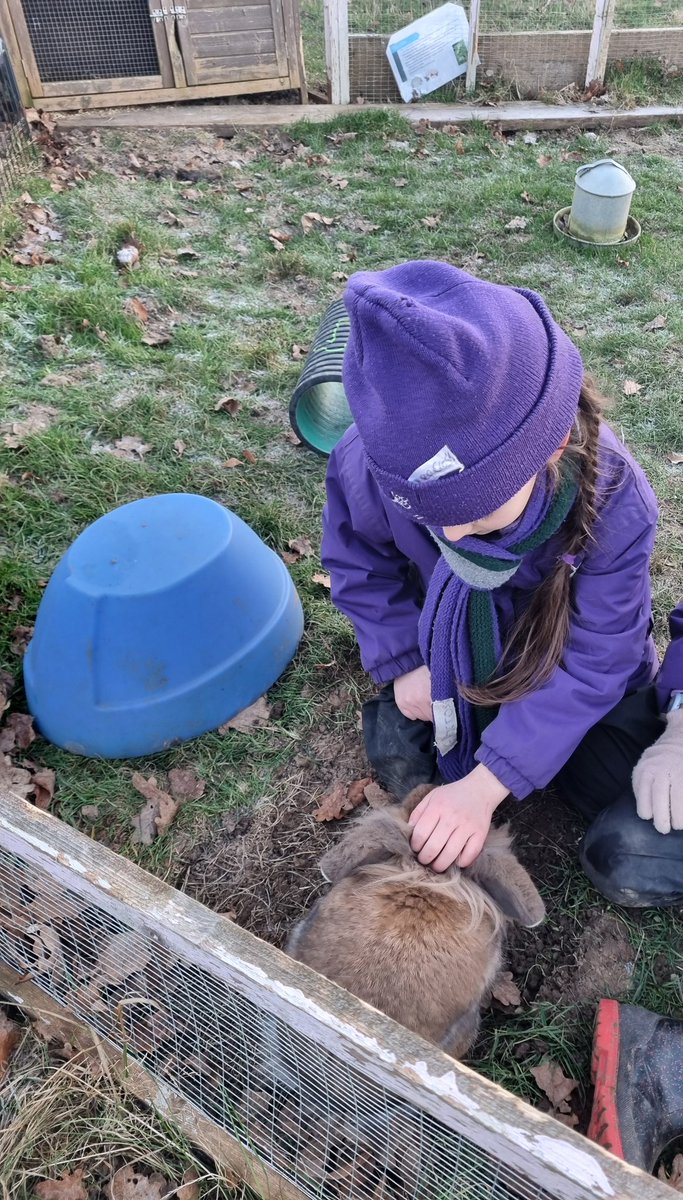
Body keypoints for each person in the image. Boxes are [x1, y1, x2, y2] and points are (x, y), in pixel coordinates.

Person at [321, 259, 665, 899]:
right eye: (429, 518)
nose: (451, 538)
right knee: (401, 745)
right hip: (453, 653)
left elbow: (600, 656)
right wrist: (401, 662)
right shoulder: (370, 465)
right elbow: (357, 564)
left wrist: (487, 783)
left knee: (600, 780)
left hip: (561, 666)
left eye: (475, 514)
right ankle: (467, 718)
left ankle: (504, 745)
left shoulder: (616, 502)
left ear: (552, 447)